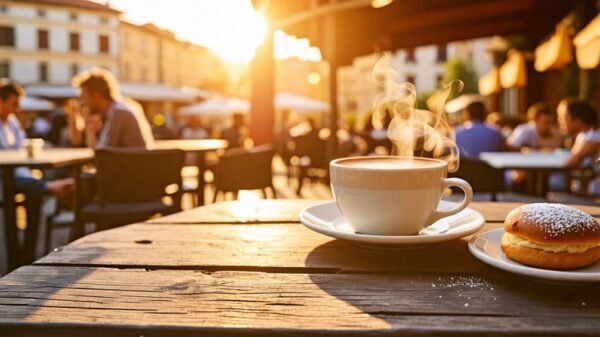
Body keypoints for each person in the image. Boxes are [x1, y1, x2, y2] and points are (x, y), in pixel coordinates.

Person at [0, 79, 73, 265]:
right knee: (30, 186)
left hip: (17, 173)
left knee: (33, 193)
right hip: (4, 176)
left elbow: (19, 148)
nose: (18, 109)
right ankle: (48, 187)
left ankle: (26, 256)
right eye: (14, 104)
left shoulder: (12, 123)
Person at [70, 68, 153, 148]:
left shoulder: (119, 113)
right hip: (131, 161)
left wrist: (89, 129)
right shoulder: (118, 110)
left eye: (84, 97)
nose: (83, 103)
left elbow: (102, 153)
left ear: (96, 96)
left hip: (131, 162)